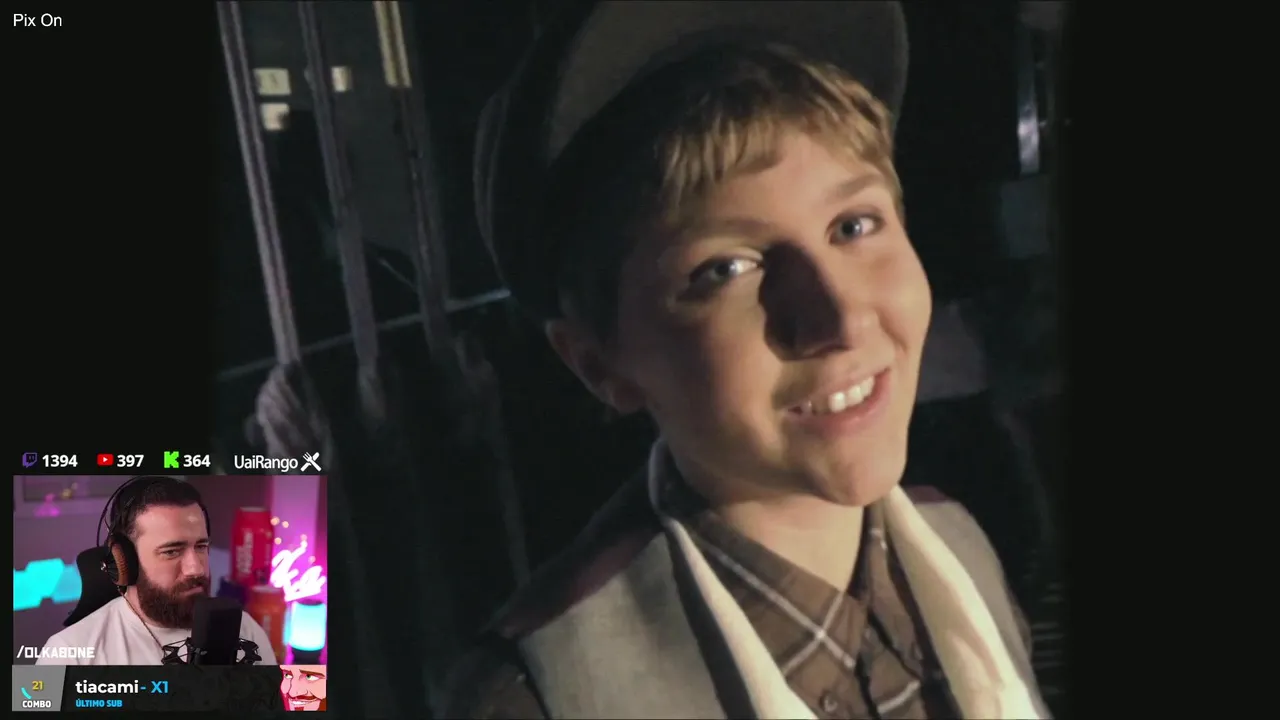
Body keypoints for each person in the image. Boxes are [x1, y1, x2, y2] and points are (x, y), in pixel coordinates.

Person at [449, 1, 1050, 718]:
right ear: (600, 365)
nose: (839, 317)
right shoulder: (546, 695)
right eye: (725, 270)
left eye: (853, 225)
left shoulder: (959, 550)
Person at [38, 477, 277, 666]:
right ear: (124, 561)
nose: (196, 568)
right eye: (172, 551)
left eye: (201, 546)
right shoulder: (69, 653)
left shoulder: (245, 630)